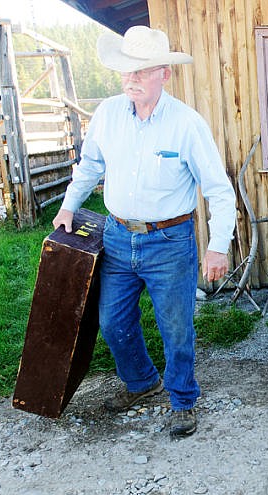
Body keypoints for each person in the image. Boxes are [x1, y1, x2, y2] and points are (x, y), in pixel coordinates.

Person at [53, 26, 236, 438]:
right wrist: (68, 206)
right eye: (125, 71)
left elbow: (219, 190)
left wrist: (218, 247)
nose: (130, 79)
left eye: (140, 71)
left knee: (176, 327)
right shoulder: (107, 114)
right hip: (117, 238)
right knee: (112, 322)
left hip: (170, 242)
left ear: (164, 75)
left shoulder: (187, 125)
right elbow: (90, 167)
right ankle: (141, 382)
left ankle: (183, 399)